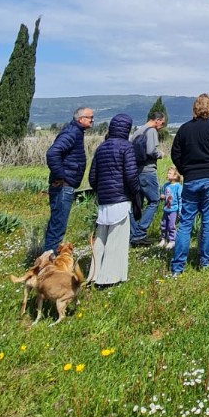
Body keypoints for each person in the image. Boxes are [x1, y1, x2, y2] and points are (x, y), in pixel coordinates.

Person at [169, 94, 209, 275]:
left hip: (191, 179)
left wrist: (184, 170)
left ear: (195, 108)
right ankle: (205, 261)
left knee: (186, 222)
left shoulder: (184, 129)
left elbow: (176, 153)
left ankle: (178, 265)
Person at [87, 113, 141, 288]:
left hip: (104, 199)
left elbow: (92, 178)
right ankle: (109, 277)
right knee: (116, 239)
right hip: (121, 198)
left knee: (100, 239)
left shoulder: (101, 148)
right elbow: (131, 175)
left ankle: (93, 275)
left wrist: (100, 190)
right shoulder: (127, 147)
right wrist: (136, 193)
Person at [44, 105, 94, 251]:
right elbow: (52, 153)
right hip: (63, 186)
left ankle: (49, 262)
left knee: (57, 225)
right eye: (90, 118)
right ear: (80, 119)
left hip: (65, 185)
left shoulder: (76, 132)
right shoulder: (72, 133)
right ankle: (49, 265)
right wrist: (61, 176)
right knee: (57, 227)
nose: (92, 120)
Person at [129, 111, 166, 245]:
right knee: (154, 200)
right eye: (162, 123)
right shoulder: (151, 131)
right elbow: (151, 150)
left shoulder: (137, 132)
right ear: (157, 120)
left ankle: (133, 234)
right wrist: (160, 154)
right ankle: (140, 233)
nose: (162, 126)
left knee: (137, 204)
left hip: (135, 171)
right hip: (148, 171)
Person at [158, 167, 183, 249]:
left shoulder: (178, 186)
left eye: (170, 173)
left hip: (173, 209)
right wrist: (162, 197)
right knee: (163, 224)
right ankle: (163, 239)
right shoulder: (165, 185)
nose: (167, 175)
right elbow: (164, 196)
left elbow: (180, 199)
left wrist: (180, 211)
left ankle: (172, 240)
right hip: (166, 209)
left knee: (171, 225)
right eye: (167, 173)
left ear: (176, 176)